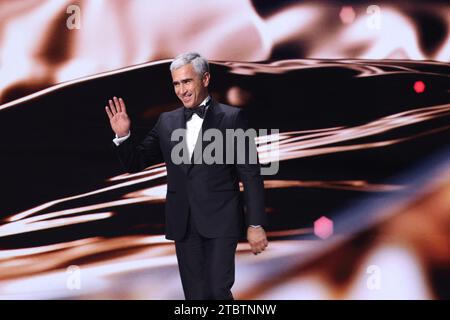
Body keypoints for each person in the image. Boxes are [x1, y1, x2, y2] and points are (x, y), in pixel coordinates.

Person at [105, 52, 268, 300]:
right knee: (195, 296)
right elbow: (135, 162)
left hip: (221, 221)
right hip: (183, 223)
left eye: (187, 81)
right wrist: (123, 136)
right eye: (176, 84)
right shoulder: (166, 122)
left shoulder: (232, 118)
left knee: (217, 290)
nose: (181, 90)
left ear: (205, 79)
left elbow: (251, 174)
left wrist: (255, 224)